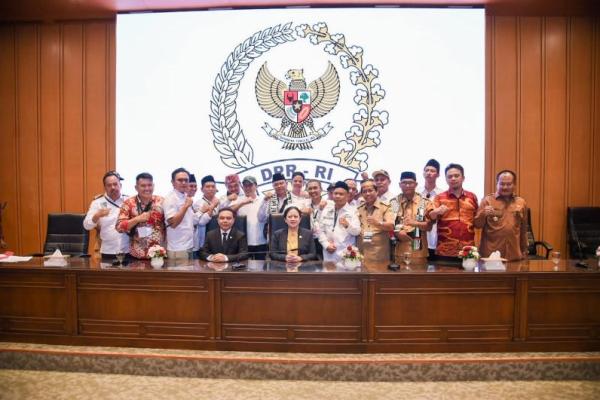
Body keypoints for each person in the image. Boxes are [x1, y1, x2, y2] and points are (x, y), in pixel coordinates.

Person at [474, 170, 528, 261]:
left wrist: (524, 250)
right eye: (502, 184)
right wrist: (483, 214)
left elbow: (523, 230)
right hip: (491, 255)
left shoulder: (521, 202)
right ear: (497, 184)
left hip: (514, 254)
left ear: (514, 185)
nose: (505, 187)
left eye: (509, 184)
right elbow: (477, 225)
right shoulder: (487, 201)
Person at [429, 164, 478, 260]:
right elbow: (430, 217)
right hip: (444, 250)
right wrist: (436, 212)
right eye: (450, 176)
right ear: (446, 179)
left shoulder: (472, 197)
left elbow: (477, 220)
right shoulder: (439, 197)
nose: (453, 179)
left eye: (456, 176)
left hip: (468, 251)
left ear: (463, 178)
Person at [116, 172, 165, 259]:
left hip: (159, 254)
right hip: (137, 255)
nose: (147, 188)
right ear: (136, 187)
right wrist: (137, 219)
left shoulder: (161, 201)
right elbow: (119, 227)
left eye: (149, 185)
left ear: (153, 186)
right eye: (143, 186)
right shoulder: (128, 203)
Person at [83, 170, 129, 260]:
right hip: (108, 251)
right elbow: (86, 226)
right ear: (105, 187)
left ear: (120, 185)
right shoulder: (97, 203)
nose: (113, 187)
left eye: (115, 184)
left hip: (128, 250)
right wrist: (97, 216)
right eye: (109, 185)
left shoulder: (129, 200)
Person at [392, 171, 434, 263]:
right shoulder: (394, 202)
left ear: (416, 184)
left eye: (410, 183)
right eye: (404, 183)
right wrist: (397, 231)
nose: (407, 185)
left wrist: (415, 223)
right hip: (399, 250)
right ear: (400, 184)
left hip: (418, 250)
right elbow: (390, 222)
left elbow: (429, 227)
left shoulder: (424, 202)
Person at [316, 181, 361, 262]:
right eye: (335, 193)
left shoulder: (353, 211)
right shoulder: (326, 209)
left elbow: (357, 232)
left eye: (341, 194)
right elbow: (319, 230)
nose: (337, 196)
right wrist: (326, 244)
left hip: (347, 254)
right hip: (328, 253)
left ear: (347, 195)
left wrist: (347, 225)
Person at [356, 179, 395, 263]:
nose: (367, 194)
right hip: (361, 253)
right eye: (364, 191)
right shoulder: (359, 209)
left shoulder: (386, 207)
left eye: (370, 190)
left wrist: (378, 223)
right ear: (361, 194)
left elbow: (391, 226)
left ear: (377, 191)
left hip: (379, 254)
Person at [163, 167, 195, 259]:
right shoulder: (170, 198)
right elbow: (173, 223)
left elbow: (190, 220)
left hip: (188, 245)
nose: (184, 183)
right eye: (180, 180)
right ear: (173, 182)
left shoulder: (185, 196)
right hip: (178, 249)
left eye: (186, 180)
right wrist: (185, 206)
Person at [234, 176, 268, 259]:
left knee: (260, 266)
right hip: (243, 242)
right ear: (242, 187)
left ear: (256, 186)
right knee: (243, 265)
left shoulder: (263, 200)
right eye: (245, 185)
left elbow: (267, 218)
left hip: (261, 241)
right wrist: (242, 203)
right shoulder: (238, 200)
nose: (248, 188)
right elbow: (228, 211)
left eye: (250, 185)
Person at [417, 159, 444, 258]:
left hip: (434, 236)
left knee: (433, 263)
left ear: (438, 175)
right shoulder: (416, 192)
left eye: (432, 171)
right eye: (427, 170)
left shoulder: (442, 194)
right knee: (417, 262)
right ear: (423, 173)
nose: (429, 173)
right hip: (417, 235)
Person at [191, 175, 220, 256]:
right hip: (203, 241)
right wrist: (212, 206)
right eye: (207, 186)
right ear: (202, 189)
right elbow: (201, 222)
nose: (211, 189)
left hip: (217, 240)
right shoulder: (198, 203)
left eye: (213, 186)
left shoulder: (219, 201)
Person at [302, 179, 330, 258]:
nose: (312, 191)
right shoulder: (304, 203)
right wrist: (300, 210)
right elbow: (288, 209)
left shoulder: (330, 204)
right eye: (310, 189)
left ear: (321, 189)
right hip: (310, 241)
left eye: (315, 188)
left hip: (326, 240)